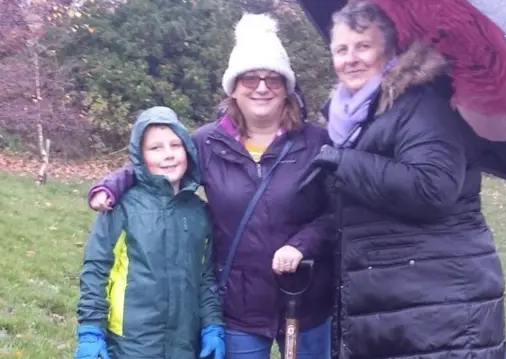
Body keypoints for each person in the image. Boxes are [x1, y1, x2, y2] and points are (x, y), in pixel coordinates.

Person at [84, 13, 333, 359]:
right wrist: (113, 185)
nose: (262, 87)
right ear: (233, 87)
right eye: (250, 77)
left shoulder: (317, 142)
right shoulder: (207, 143)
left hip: (307, 301)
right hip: (239, 308)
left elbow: (337, 213)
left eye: (273, 78)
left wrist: (302, 245)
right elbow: (160, 165)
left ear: (287, 87)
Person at [301, 2, 506, 358]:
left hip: (440, 307)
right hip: (396, 305)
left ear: (389, 50)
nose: (351, 58)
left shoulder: (421, 104)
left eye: (363, 46)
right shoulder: (351, 118)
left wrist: (344, 163)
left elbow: (433, 187)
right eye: (341, 49)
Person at [74, 106, 225, 359]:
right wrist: (91, 329)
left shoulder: (200, 213)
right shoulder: (121, 207)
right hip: (130, 345)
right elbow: (96, 268)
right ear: (141, 156)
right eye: (156, 148)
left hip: (184, 345)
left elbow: (206, 277)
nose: (168, 155)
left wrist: (212, 324)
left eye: (175, 145)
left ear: (187, 150)